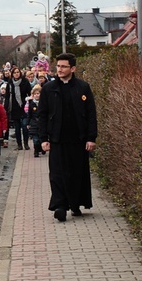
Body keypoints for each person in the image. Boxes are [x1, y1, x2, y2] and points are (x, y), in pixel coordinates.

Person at [38, 53, 98, 222]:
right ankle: (60, 206)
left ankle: (75, 203)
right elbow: (42, 115)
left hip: (78, 139)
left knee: (76, 173)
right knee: (57, 174)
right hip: (57, 139)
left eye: (64, 66)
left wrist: (91, 138)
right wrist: (43, 138)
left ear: (73, 68)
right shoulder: (49, 89)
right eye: (58, 66)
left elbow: (91, 114)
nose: (60, 69)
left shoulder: (82, 87)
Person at [4, 66, 32, 151]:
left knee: (24, 126)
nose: (16, 74)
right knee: (17, 127)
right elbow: (7, 96)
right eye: (15, 73)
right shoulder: (10, 83)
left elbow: (30, 93)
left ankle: (26, 143)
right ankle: (19, 144)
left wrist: (30, 103)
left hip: (23, 106)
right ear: (12, 74)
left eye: (18, 72)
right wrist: (6, 107)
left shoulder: (25, 82)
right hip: (14, 107)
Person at [26, 84, 44, 157]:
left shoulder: (43, 103)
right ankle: (36, 151)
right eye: (35, 94)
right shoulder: (31, 104)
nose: (37, 95)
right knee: (35, 139)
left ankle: (41, 148)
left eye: (38, 94)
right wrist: (28, 123)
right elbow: (29, 115)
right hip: (34, 124)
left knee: (41, 138)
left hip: (42, 124)